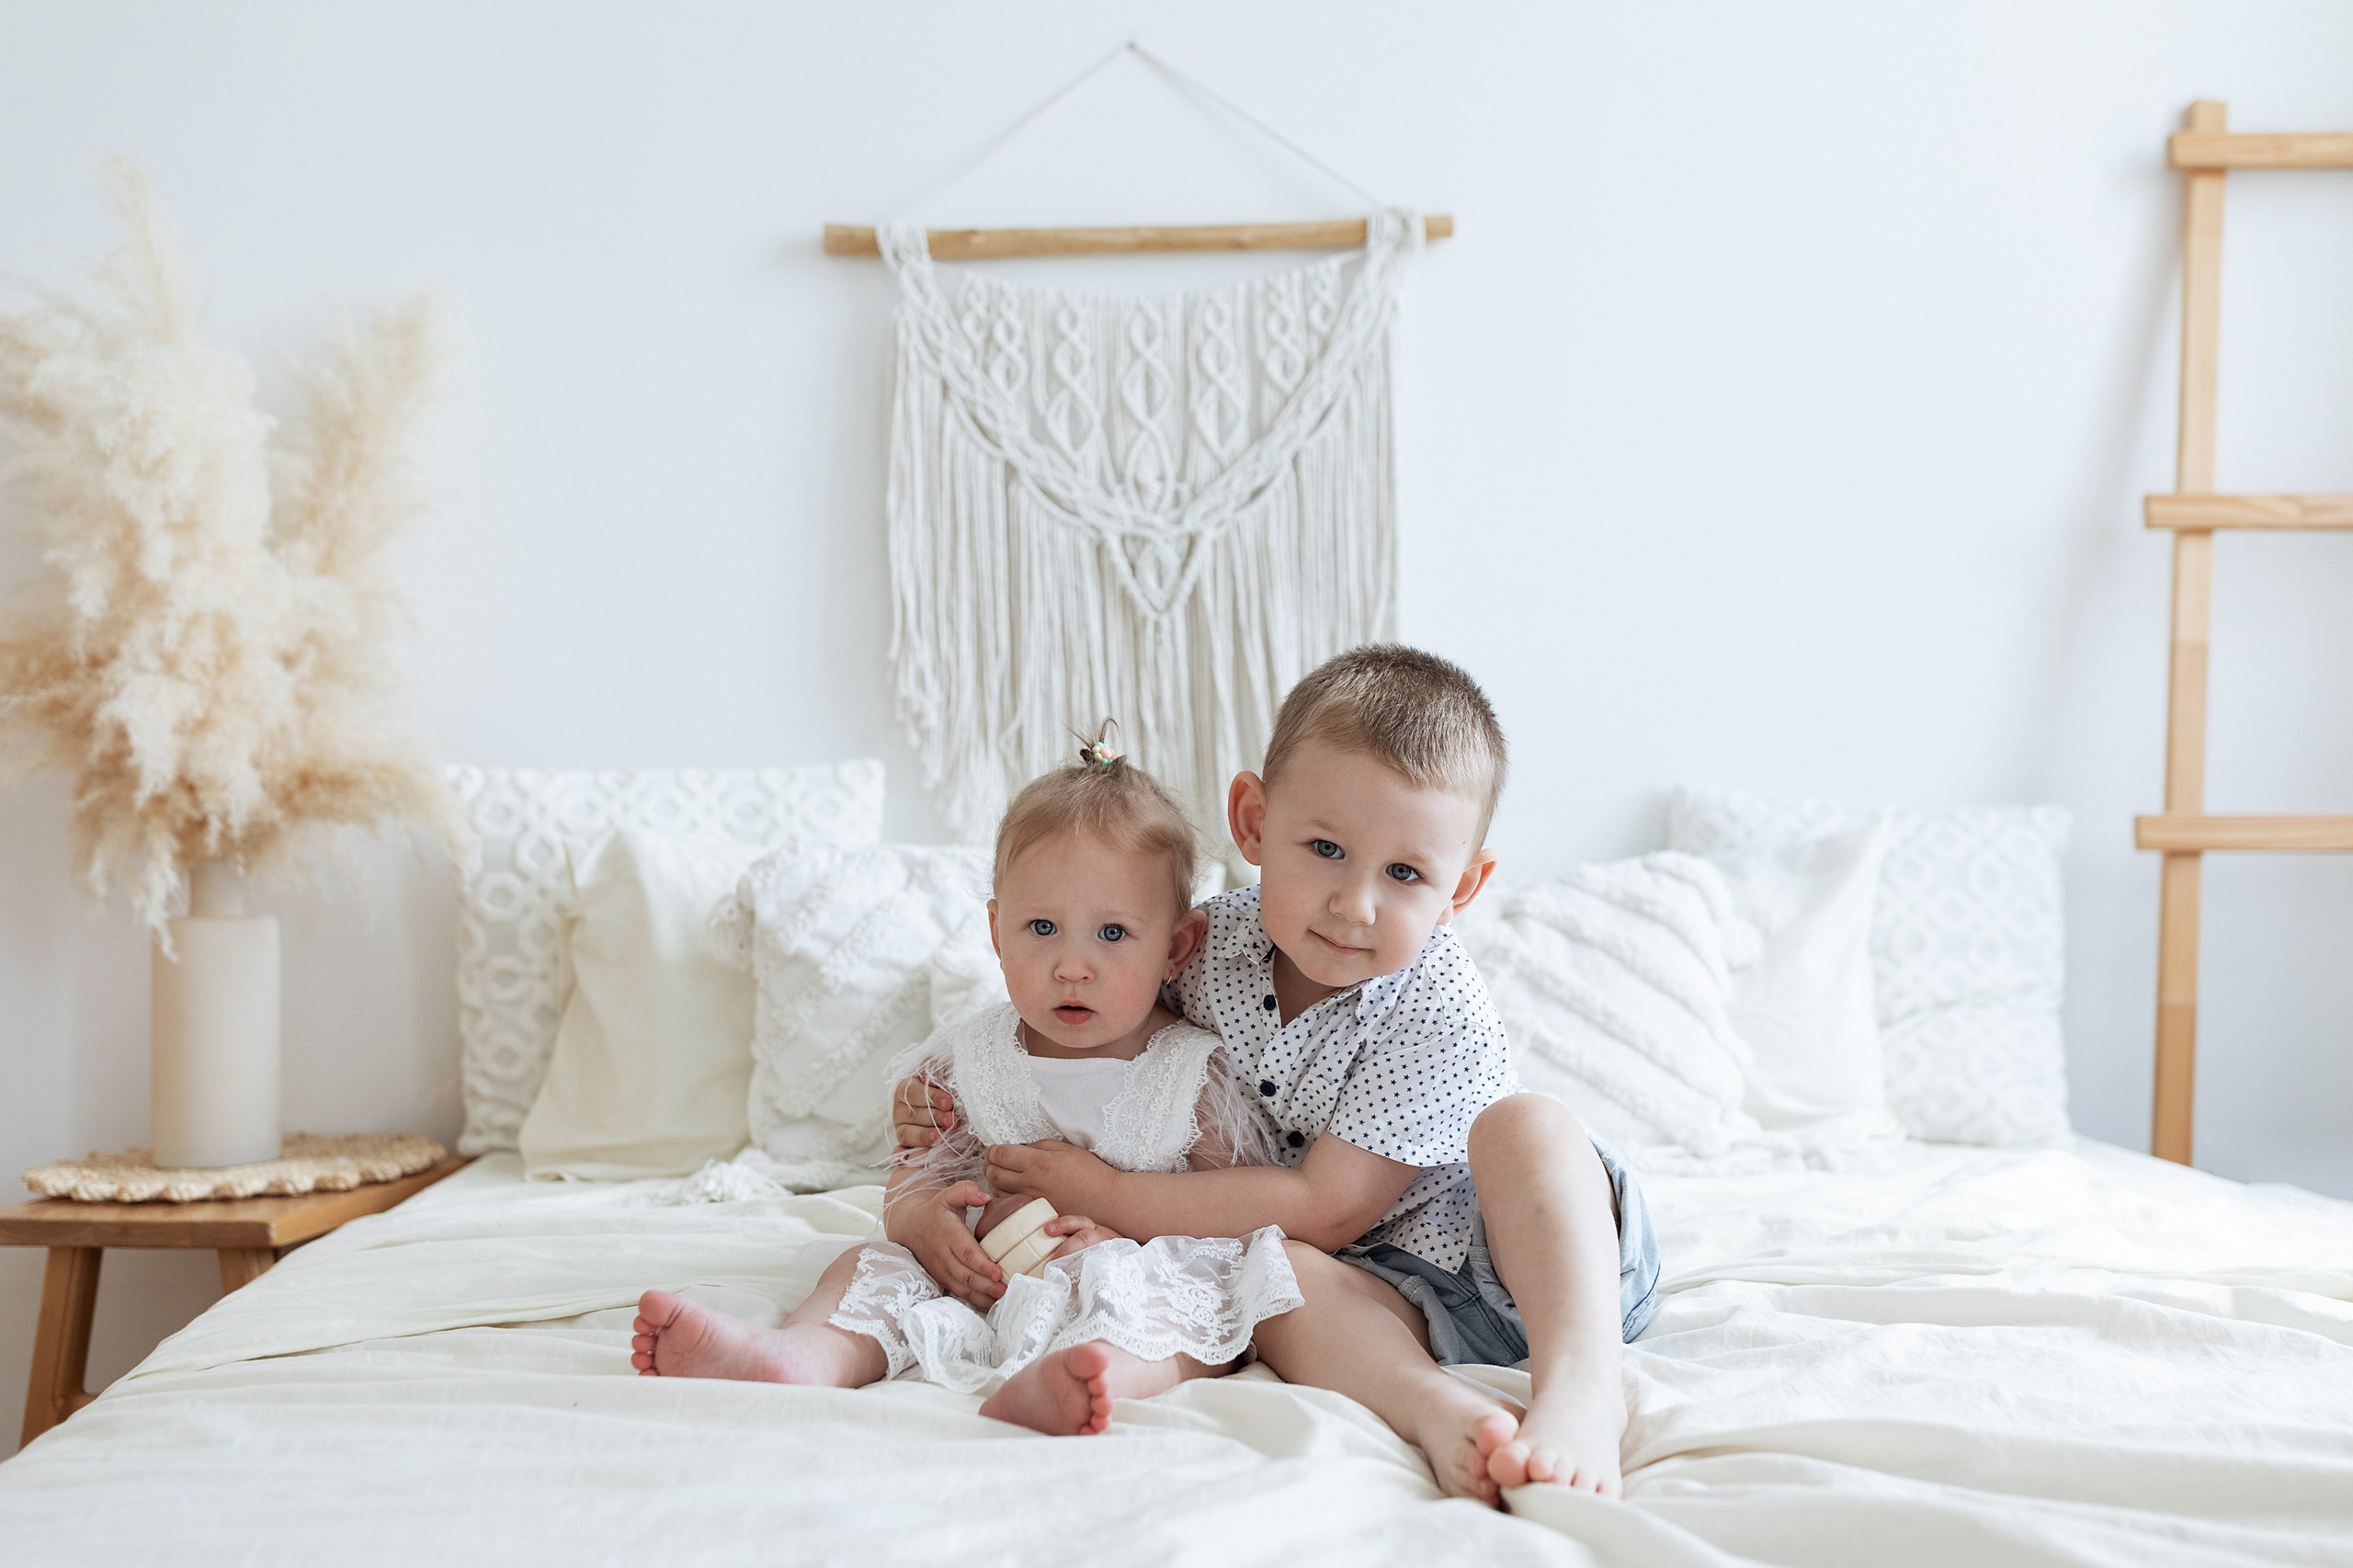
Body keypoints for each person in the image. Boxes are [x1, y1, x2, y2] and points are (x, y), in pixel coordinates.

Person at [895, 646, 1660, 1505]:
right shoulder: (1200, 946)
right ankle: (1437, 1408)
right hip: (1377, 1285)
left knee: (1527, 1127)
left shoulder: (1436, 1006)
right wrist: (948, 1091)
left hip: (1521, 1257)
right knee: (1270, 1283)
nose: (1354, 904)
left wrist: (1106, 1193)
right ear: (1253, 821)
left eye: (1405, 873)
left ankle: (1582, 1386)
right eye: (1326, 848)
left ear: (1462, 889)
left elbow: (1328, 1205)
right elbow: (1089, 1015)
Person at [630, 738, 1300, 1438]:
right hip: (978, 1279)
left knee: (1197, 1298)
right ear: (996, 932)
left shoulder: (1191, 1074)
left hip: (1122, 1276)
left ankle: (1097, 1372)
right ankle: (805, 1354)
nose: (1073, 966)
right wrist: (926, 1226)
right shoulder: (968, 1059)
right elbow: (915, 1180)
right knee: (871, 1265)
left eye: (1112, 933)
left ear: (1176, 948)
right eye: (1042, 928)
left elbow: (1232, 1222)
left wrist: (1120, 1231)